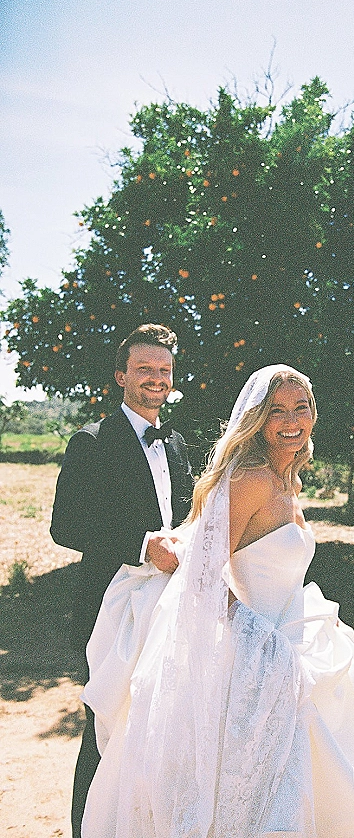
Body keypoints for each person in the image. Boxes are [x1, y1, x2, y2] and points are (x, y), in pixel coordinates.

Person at [81, 364, 354, 838]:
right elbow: (203, 577)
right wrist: (261, 646)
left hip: (298, 633)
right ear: (257, 419)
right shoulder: (251, 480)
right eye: (277, 411)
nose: (291, 421)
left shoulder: (290, 481)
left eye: (300, 409)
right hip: (256, 651)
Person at [50, 323, 193, 838]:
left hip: (169, 609)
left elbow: (185, 516)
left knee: (159, 726)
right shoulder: (91, 442)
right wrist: (141, 546)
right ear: (121, 376)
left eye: (163, 370)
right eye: (144, 369)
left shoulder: (176, 442)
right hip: (109, 609)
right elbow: (64, 525)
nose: (155, 378)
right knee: (106, 726)